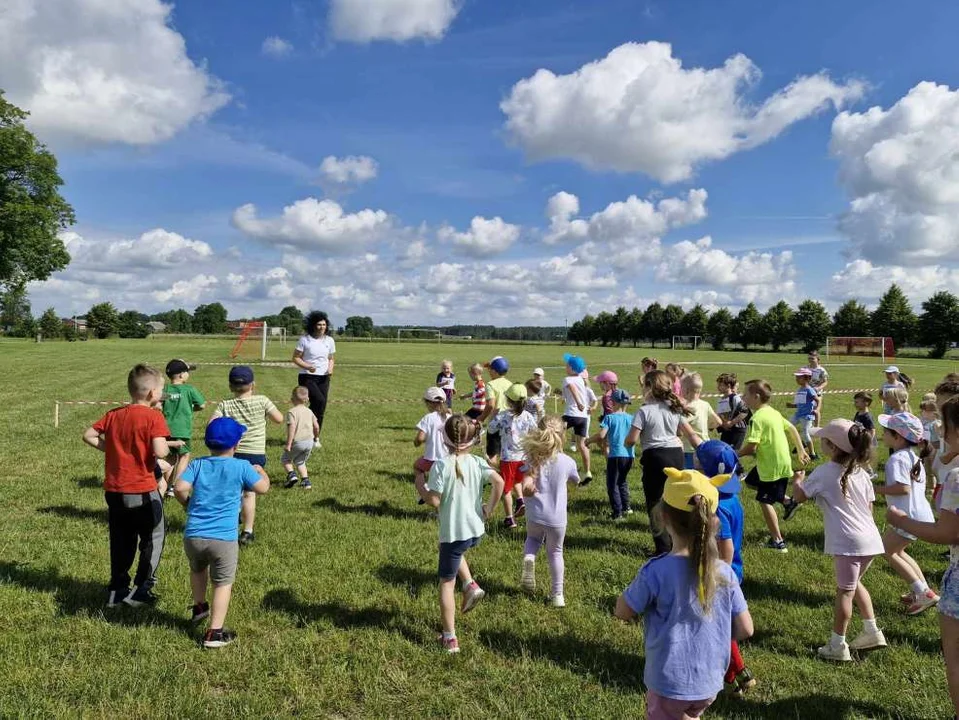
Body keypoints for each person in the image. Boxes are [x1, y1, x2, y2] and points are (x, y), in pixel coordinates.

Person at [614, 468, 753, 720]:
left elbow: (623, 611)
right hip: (710, 682)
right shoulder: (725, 573)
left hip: (669, 682)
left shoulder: (655, 571)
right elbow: (746, 629)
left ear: (663, 517)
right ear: (713, 521)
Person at [886, 396, 959, 718]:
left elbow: (948, 534)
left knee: (956, 660)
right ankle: (922, 589)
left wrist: (900, 520)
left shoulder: (957, 478)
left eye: (944, 424)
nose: (939, 430)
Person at [791, 420, 887, 661]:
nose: (820, 442)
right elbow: (869, 507)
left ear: (832, 447)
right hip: (871, 540)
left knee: (844, 592)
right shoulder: (862, 472)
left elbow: (800, 497)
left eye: (823, 440)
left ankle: (837, 645)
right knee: (856, 586)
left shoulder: (823, 472)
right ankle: (872, 631)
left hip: (848, 543)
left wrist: (797, 481)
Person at [174, 417, 270, 648]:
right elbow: (262, 488)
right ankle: (214, 633)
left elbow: (179, 487)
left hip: (194, 536)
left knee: (197, 570)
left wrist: (187, 504)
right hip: (223, 539)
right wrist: (262, 472)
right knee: (222, 583)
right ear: (236, 445)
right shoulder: (242, 466)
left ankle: (199, 606)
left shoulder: (198, 464)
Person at [82, 364, 172, 608]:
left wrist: (109, 448)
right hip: (143, 490)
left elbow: (88, 435)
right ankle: (142, 590)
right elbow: (159, 449)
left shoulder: (113, 415)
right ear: (153, 393)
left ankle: (118, 590)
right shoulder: (154, 416)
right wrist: (165, 449)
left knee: (121, 539)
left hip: (114, 491)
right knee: (154, 537)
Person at [417, 415, 505, 654]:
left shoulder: (441, 465)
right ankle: (470, 585)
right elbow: (499, 481)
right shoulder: (477, 462)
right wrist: (489, 509)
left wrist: (420, 484)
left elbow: (434, 500)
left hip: (455, 532)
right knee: (456, 551)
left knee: (446, 584)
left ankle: (450, 639)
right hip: (474, 529)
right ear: (473, 439)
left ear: (444, 439)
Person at [696, 440, 755, 697]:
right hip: (731, 571)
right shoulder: (732, 496)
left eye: (698, 463)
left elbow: (726, 546)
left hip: (721, 572)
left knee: (717, 626)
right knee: (722, 623)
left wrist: (720, 574)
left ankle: (733, 676)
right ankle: (738, 671)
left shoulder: (717, 504)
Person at [626, 370, 701, 555]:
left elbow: (631, 440)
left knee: (654, 502)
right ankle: (680, 542)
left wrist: (627, 441)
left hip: (655, 458)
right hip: (676, 455)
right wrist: (705, 450)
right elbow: (689, 434)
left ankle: (662, 548)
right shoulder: (674, 408)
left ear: (649, 387)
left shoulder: (643, 411)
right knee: (674, 499)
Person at [210, 366, 283, 546]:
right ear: (253, 385)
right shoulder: (262, 400)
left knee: (233, 489)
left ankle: (230, 522)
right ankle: (247, 532)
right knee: (249, 494)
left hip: (232, 452)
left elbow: (212, 423)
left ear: (230, 386)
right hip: (255, 455)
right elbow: (279, 419)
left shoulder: (225, 404)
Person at [876, 412, 939, 615]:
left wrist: (873, 489)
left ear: (898, 437)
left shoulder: (896, 459)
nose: (882, 434)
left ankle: (922, 593)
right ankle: (925, 591)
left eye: (886, 431)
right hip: (918, 514)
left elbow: (903, 488)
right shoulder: (913, 456)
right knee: (899, 552)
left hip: (908, 516)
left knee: (887, 551)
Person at [738, 379, 809, 553]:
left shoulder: (756, 418)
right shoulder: (773, 412)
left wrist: (733, 453)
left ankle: (778, 542)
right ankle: (787, 502)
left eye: (745, 394)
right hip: (779, 462)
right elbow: (792, 428)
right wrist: (800, 450)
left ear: (756, 397)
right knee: (751, 481)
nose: (742, 396)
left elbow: (751, 447)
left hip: (771, 466)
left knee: (764, 501)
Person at [519, 416, 581, 607]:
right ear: (562, 436)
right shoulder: (567, 461)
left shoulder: (532, 459)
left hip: (535, 514)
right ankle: (558, 595)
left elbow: (525, 477)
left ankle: (529, 557)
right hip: (557, 518)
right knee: (555, 552)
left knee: (533, 539)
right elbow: (576, 480)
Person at [488, 384, 538, 528]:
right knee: (518, 481)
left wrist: (493, 417)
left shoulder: (503, 415)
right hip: (524, 457)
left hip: (508, 458)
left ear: (509, 400)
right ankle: (521, 501)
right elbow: (534, 433)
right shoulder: (528, 416)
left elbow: (491, 429)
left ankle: (509, 518)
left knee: (506, 490)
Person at [161, 359, 205, 498]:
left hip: (166, 429)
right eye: (187, 372)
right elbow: (202, 405)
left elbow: (158, 404)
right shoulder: (189, 390)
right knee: (184, 456)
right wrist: (191, 408)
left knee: (170, 457)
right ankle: (174, 486)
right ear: (181, 375)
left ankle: (165, 485)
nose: (188, 374)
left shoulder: (166, 390)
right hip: (182, 430)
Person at [587, 389, 635, 520]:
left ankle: (617, 513)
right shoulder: (632, 418)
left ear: (613, 402)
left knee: (612, 484)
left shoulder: (610, 418)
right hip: (629, 456)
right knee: (622, 481)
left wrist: (589, 440)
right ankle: (627, 507)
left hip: (615, 456)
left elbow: (602, 435)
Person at [292, 311, 336, 448]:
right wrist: (307, 366)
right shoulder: (305, 340)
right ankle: (304, 427)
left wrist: (330, 369)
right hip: (307, 376)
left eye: (324, 324)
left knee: (321, 407)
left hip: (324, 378)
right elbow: (295, 357)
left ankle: (315, 437)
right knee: (319, 401)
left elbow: (331, 358)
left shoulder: (329, 340)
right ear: (313, 325)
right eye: (319, 324)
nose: (322, 327)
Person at [413, 387, 452, 503]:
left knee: (417, 467)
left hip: (432, 458)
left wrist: (416, 442)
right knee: (444, 487)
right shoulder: (450, 418)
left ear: (429, 403)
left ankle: (424, 493)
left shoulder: (428, 418)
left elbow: (420, 438)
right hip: (449, 459)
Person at [281, 386, 319, 490]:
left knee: (285, 459)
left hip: (298, 442)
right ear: (307, 399)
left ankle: (291, 475)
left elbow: (292, 428)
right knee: (300, 461)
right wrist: (316, 438)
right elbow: (316, 426)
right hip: (309, 442)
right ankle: (306, 482)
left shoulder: (292, 412)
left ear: (292, 399)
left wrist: (288, 444)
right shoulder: (309, 411)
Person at [681, 373, 721, 469]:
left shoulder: (687, 408)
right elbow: (718, 422)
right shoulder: (705, 404)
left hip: (689, 450)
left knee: (690, 477)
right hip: (705, 446)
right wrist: (708, 426)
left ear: (686, 391)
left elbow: (679, 427)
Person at [478, 356, 512, 463]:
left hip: (495, 423)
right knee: (505, 451)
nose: (488, 371)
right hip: (509, 422)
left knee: (492, 453)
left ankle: (492, 476)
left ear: (494, 371)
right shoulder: (510, 384)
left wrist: (482, 418)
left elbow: (491, 405)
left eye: (490, 369)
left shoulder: (490, 384)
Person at [786, 368, 820, 460]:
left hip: (806, 416)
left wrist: (817, 409)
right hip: (798, 414)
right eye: (796, 377)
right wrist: (791, 405)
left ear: (807, 378)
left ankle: (812, 454)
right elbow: (800, 403)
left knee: (805, 433)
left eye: (799, 377)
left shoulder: (810, 390)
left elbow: (818, 400)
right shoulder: (800, 389)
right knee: (787, 425)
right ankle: (801, 444)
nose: (796, 379)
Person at [715, 373, 749, 451]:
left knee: (733, 452)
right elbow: (720, 415)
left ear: (729, 386)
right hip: (726, 430)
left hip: (738, 430)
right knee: (724, 451)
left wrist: (732, 422)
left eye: (720, 385)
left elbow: (744, 412)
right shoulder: (720, 400)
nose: (718, 387)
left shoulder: (735, 398)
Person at [808, 350, 829, 431]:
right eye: (809, 358)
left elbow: (825, 382)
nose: (810, 360)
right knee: (807, 409)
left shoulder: (821, 370)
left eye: (812, 358)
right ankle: (808, 426)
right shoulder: (806, 368)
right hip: (807, 393)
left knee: (816, 411)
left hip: (817, 393)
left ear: (818, 359)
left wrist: (818, 388)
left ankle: (817, 428)